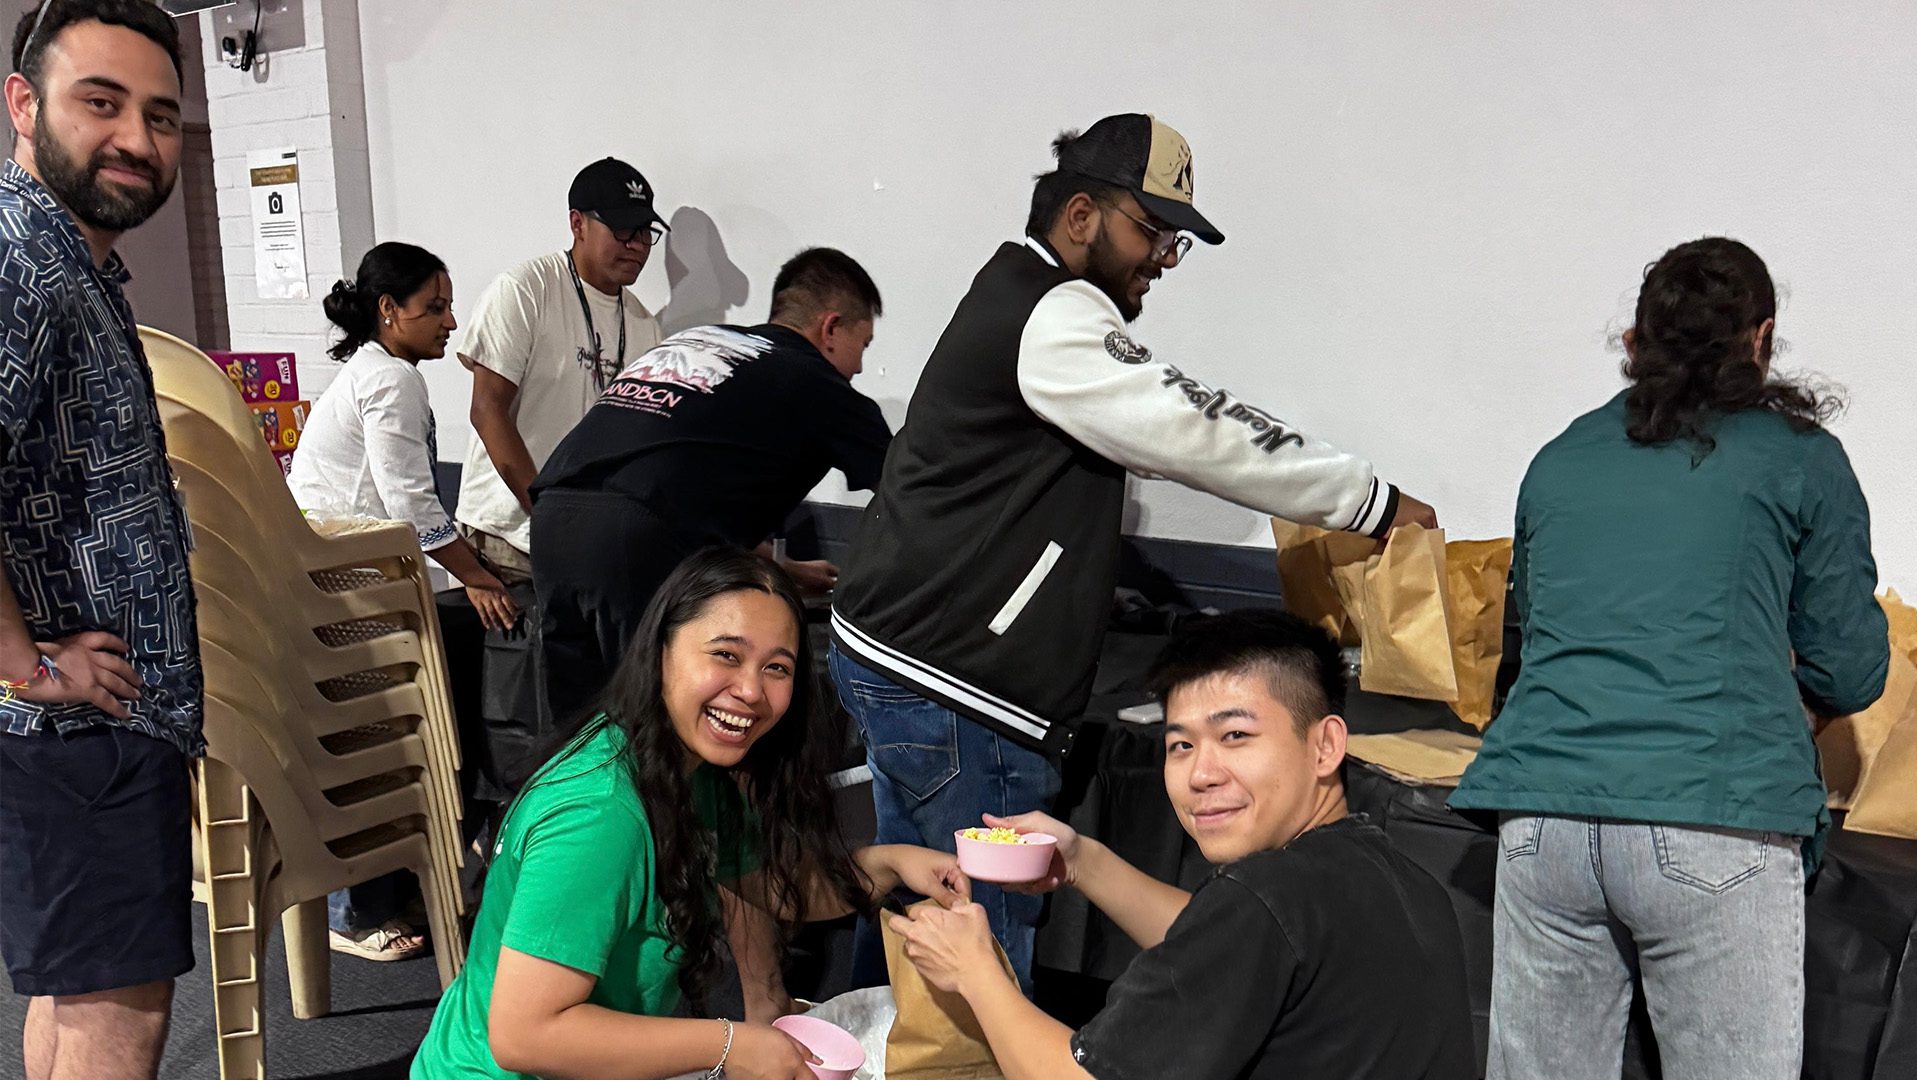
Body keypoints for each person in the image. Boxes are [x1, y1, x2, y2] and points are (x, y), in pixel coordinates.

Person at [829, 112, 1439, 986]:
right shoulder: (1053, 313)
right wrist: (1370, 503)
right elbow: (1194, 426)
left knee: (913, 919)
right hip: (958, 686)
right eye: (1151, 230)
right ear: (1080, 215)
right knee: (978, 954)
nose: (1162, 256)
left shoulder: (1015, 293)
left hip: (913, 661)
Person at [1448, 238, 1888, 1080]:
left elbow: (1530, 640)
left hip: (1543, 823)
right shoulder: (1800, 457)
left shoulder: (1561, 456)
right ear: (1760, 339)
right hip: (1714, 820)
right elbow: (1851, 668)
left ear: (1635, 343)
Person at [412, 548, 968, 1080]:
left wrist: (895, 862)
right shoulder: (601, 812)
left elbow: (776, 888)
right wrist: (730, 1044)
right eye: (726, 655)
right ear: (662, 650)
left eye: (777, 668)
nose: (751, 690)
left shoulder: (693, 772)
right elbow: (523, 1035)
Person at [890, 609, 1475, 1079]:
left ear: (1325, 746)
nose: (1201, 774)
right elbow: (1219, 942)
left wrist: (973, 970)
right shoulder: (1401, 880)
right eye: (1180, 746)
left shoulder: (1265, 898)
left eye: (1235, 735)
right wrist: (1080, 860)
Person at [0, 3, 197, 1078]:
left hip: (90, 728)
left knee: (78, 996)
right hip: (82, 732)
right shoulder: (21, 257)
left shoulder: (73, 264)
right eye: (102, 102)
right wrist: (26, 663)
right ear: (23, 105)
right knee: (114, 1015)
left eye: (160, 115)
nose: (136, 137)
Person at [531, 247, 892, 721]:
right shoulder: (819, 383)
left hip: (553, 519)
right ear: (830, 327)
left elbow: (683, 471)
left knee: (579, 726)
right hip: (635, 538)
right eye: (862, 345)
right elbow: (911, 491)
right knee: (655, 724)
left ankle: (569, 796)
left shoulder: (700, 340)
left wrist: (778, 564)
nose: (860, 368)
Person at [289, 241, 520, 962]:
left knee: (377, 745)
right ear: (389, 311)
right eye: (436, 307)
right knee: (382, 749)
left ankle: (385, 892)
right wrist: (480, 574)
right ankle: (356, 908)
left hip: (337, 587)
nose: (451, 323)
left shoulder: (371, 371)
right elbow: (412, 509)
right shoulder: (390, 381)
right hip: (347, 595)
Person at [454, 156, 666, 793]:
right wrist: (549, 512)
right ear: (576, 222)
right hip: (514, 542)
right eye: (620, 229)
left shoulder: (648, 324)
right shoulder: (527, 289)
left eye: (644, 234)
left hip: (588, 551)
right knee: (525, 722)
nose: (634, 245)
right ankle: (510, 856)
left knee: (595, 718)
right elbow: (488, 410)